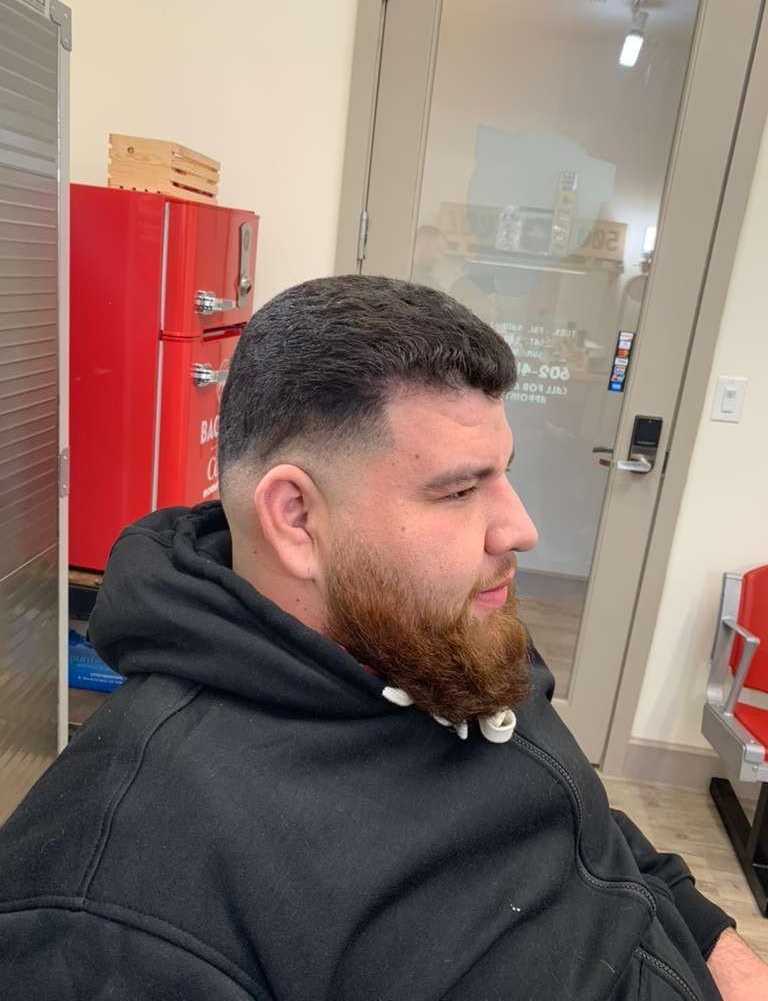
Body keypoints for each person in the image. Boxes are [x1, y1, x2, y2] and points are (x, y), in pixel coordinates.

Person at [0, 276, 765, 1000]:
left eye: (503, 474)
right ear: (296, 518)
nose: (520, 528)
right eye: (461, 490)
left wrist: (720, 951)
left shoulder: (444, 632)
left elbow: (583, 825)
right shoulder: (120, 896)